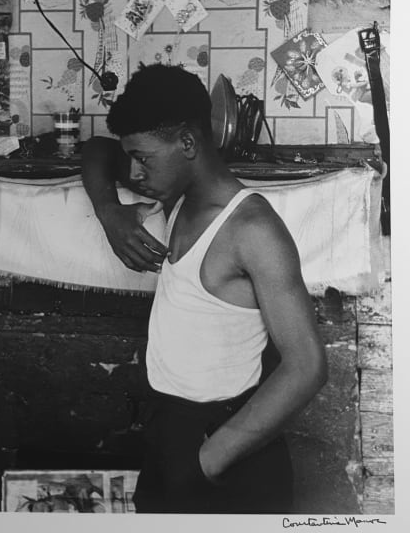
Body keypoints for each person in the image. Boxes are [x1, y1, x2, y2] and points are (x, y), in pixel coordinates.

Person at [81, 64, 327, 514]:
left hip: (225, 445)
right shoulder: (177, 192)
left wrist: (207, 462)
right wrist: (109, 213)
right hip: (169, 429)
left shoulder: (251, 229)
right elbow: (96, 149)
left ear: (188, 143)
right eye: (132, 158)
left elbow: (307, 366)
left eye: (143, 159)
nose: (133, 172)